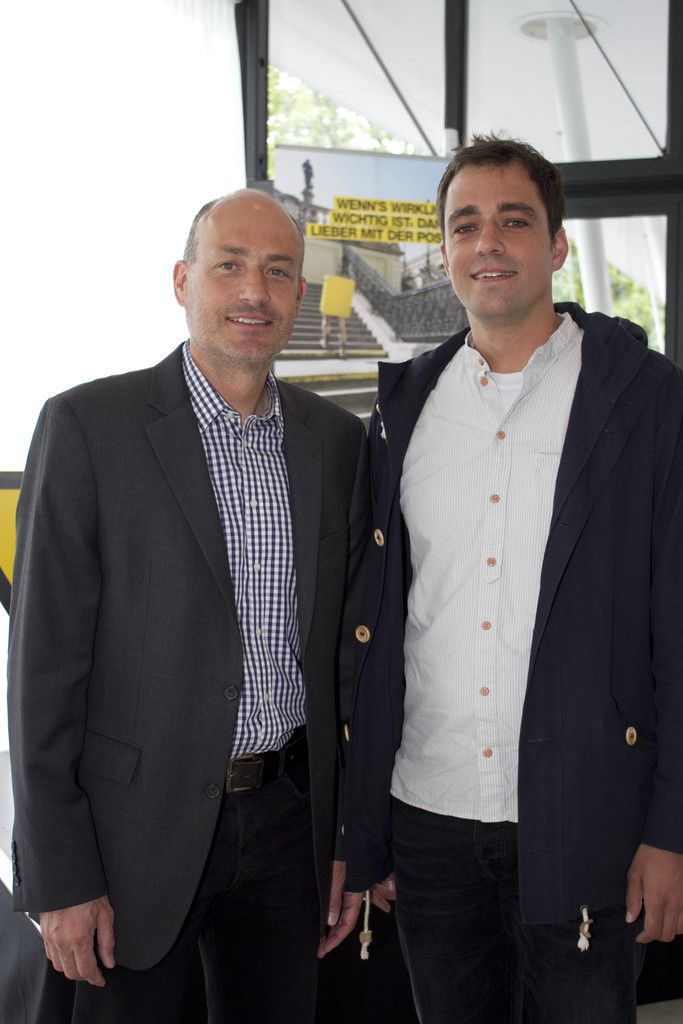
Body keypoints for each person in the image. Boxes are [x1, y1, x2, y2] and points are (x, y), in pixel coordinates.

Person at [343, 135, 683, 1023]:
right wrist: (364, 830)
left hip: (585, 821)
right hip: (428, 816)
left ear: (557, 245)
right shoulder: (402, 409)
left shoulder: (645, 400)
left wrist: (671, 830)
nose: (486, 242)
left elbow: (676, 626)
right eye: (465, 225)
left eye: (512, 221)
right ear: (446, 252)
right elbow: (381, 626)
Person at [8, 189, 368, 1023]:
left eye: (278, 272)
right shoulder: (88, 428)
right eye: (230, 265)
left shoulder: (336, 443)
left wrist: (348, 839)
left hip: (287, 829)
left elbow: (345, 665)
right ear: (182, 279)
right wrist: (60, 876)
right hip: (130, 835)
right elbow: (42, 672)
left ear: (299, 297)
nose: (255, 292)